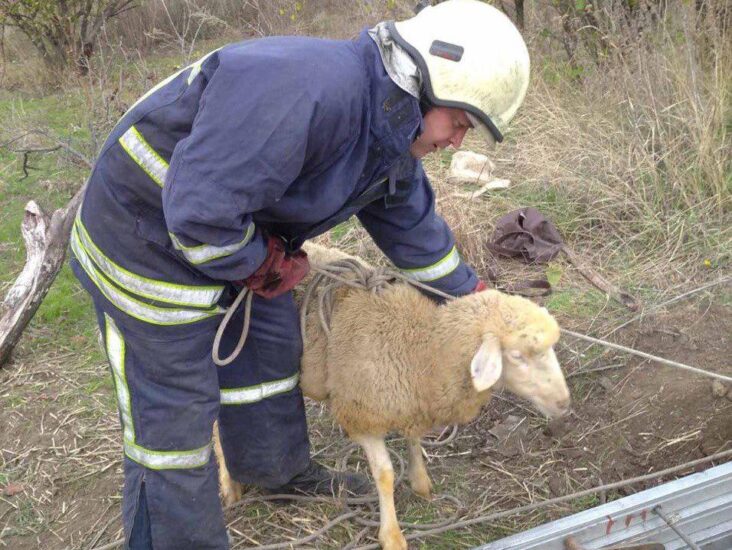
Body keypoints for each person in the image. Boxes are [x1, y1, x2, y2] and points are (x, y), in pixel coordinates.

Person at [69, 0, 530, 547]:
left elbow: (417, 236)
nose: (457, 142)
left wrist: (478, 299)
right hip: (142, 239)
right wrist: (262, 265)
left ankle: (275, 474)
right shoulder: (306, 91)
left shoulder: (387, 137)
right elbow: (198, 214)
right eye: (460, 123)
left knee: (267, 350)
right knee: (172, 421)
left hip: (234, 232)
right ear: (427, 84)